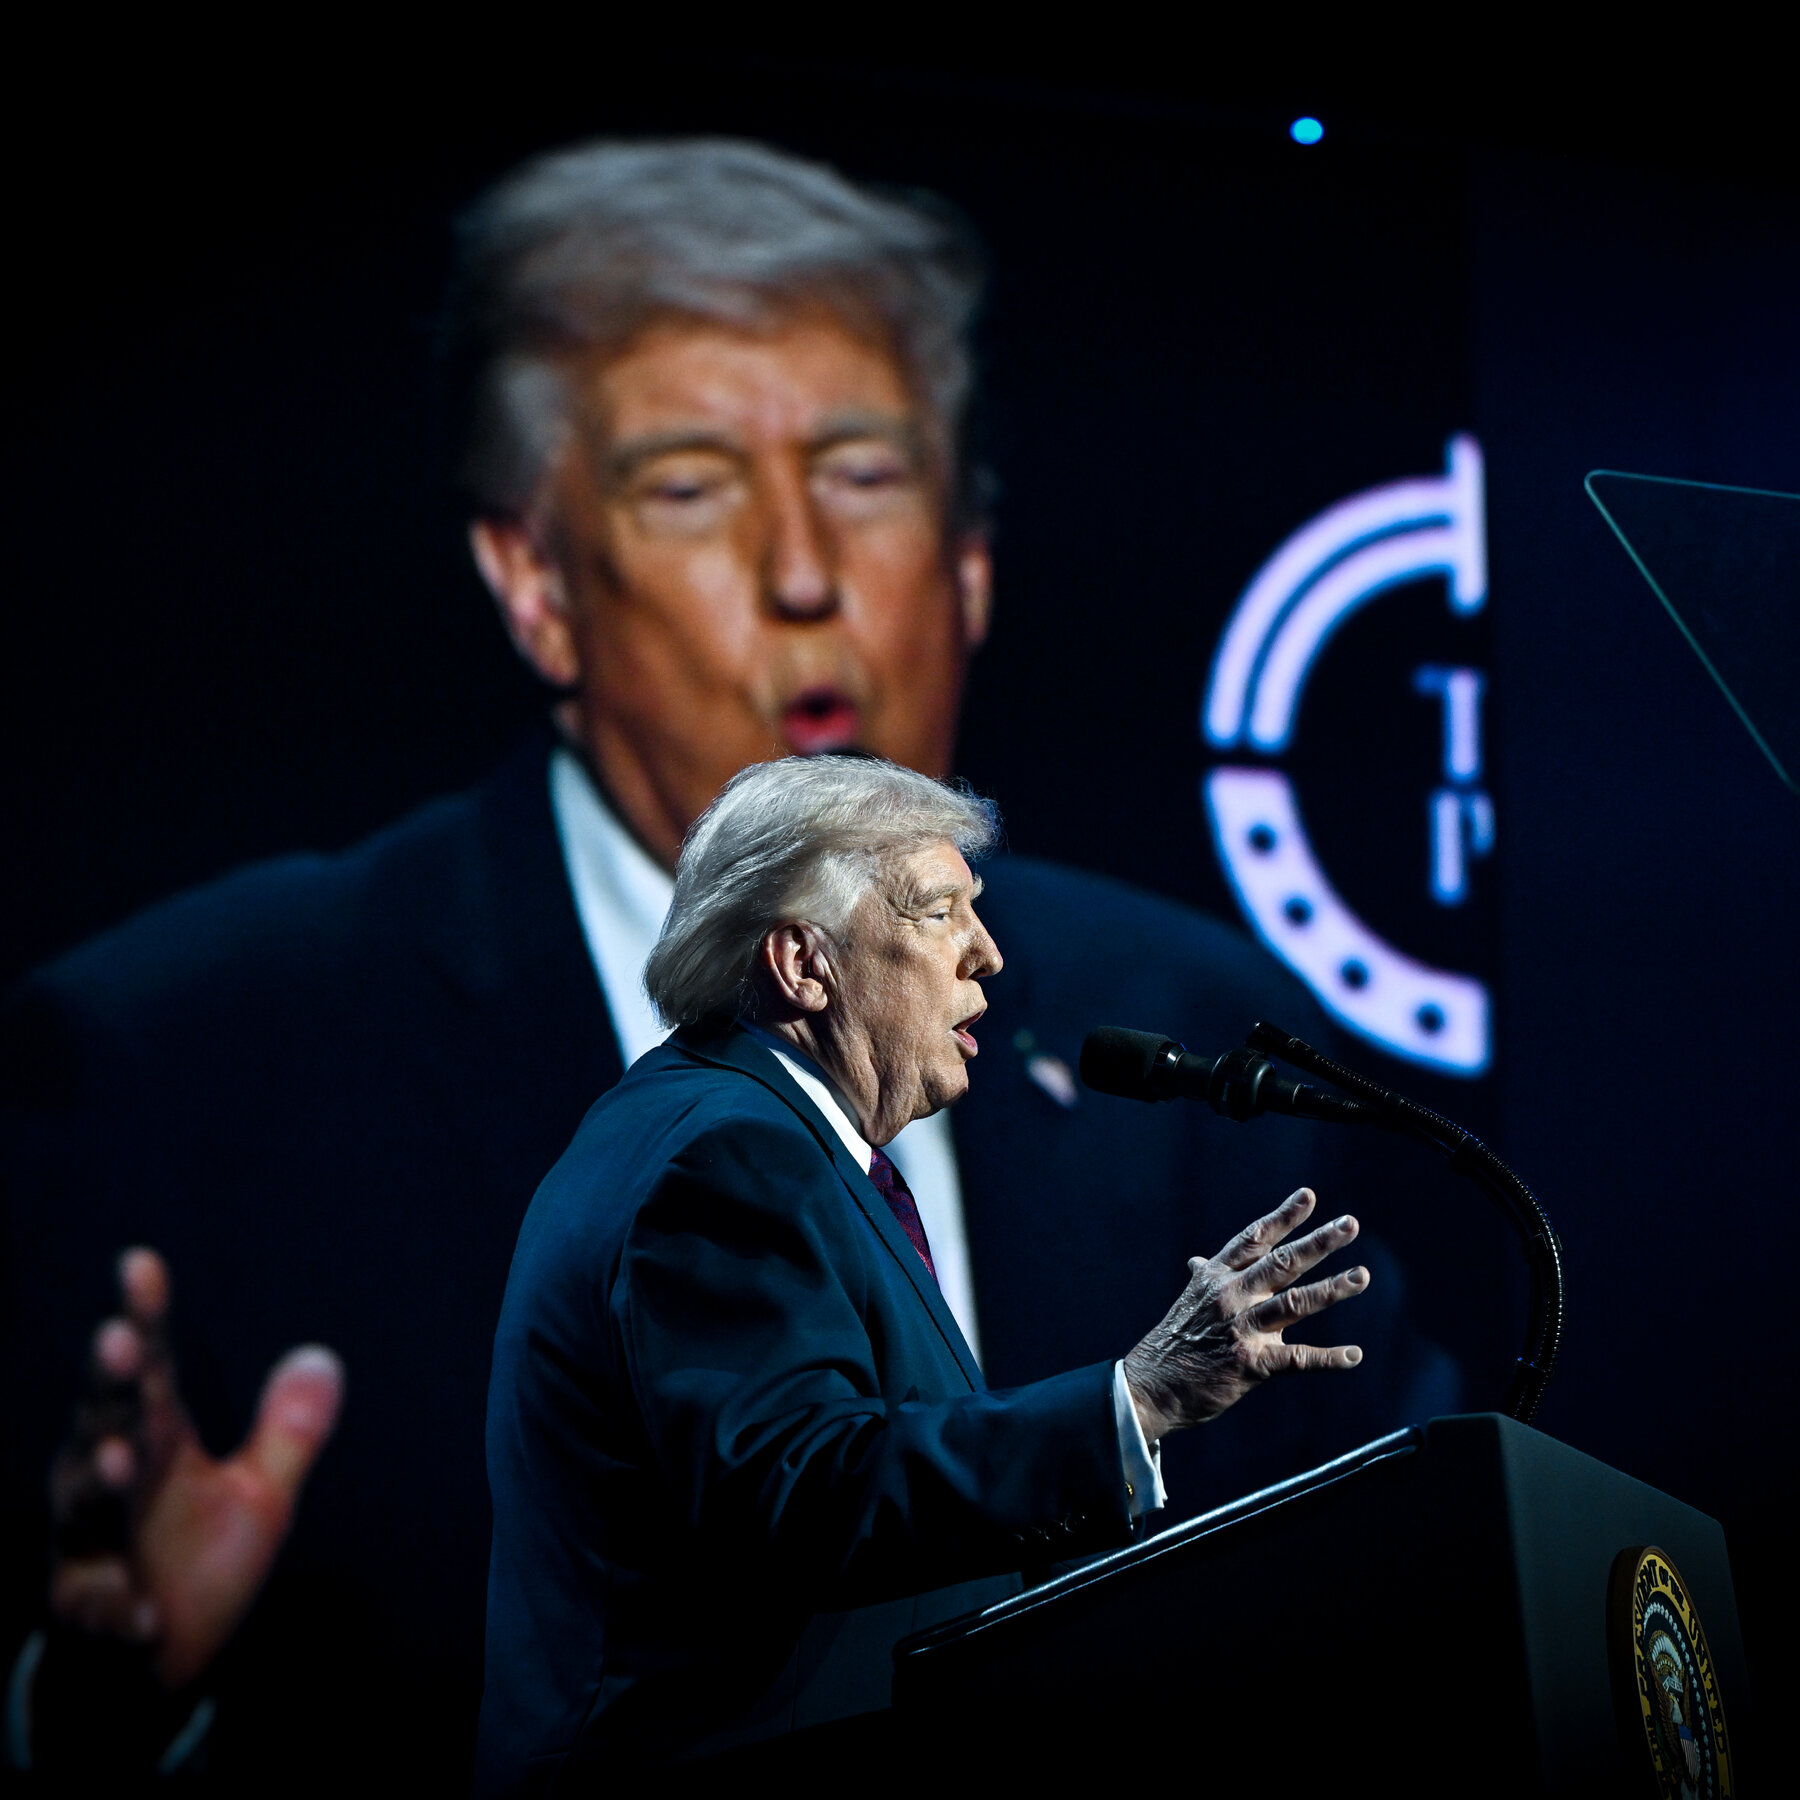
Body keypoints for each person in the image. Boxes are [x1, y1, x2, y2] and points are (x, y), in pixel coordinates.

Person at [0, 140, 1454, 1788]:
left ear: (971, 569)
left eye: (862, 474)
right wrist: (97, 1718)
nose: (801, 574)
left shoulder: (1193, 1035)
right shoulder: (197, 1050)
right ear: (536, 585)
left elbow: (1436, 1576)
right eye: (689, 486)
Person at [477, 755, 1373, 1786]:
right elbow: (804, 1490)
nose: (988, 955)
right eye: (939, 911)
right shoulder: (724, 1156)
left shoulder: (751, 1139)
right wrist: (1136, 1398)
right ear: (802, 965)